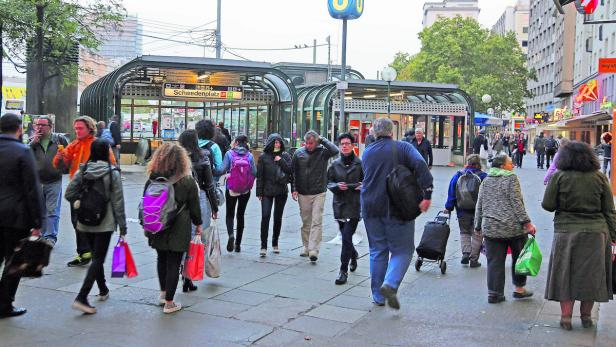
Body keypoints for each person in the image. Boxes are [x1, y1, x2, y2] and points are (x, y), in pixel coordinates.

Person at [542, 141, 616, 330]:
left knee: (565, 274)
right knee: (591, 276)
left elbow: (548, 205)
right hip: (596, 233)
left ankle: (566, 318)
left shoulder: (559, 176)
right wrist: (614, 239)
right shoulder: (599, 177)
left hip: (566, 232)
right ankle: (586, 317)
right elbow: (609, 210)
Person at [361, 118, 433, 309]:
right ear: (392, 131)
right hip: (397, 208)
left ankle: (377, 295)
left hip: (370, 207)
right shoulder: (402, 147)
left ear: (374, 133)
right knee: (403, 250)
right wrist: (427, 194)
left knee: (377, 250)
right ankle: (390, 283)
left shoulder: (367, 152)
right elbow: (420, 165)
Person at [65, 139, 127, 314]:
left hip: (84, 220)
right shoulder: (112, 172)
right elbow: (118, 201)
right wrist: (123, 226)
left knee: (95, 256)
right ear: (107, 152)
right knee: (98, 258)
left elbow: (69, 193)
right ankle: (82, 297)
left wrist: (79, 202)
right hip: (105, 222)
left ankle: (103, 289)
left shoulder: (83, 169)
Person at [146, 143, 203, 314]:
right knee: (174, 263)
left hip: (157, 226)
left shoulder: (153, 177)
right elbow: (194, 207)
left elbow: (146, 201)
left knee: (161, 259)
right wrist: (198, 225)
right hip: (179, 228)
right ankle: (169, 303)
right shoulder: (187, 181)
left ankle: (163, 294)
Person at [54, 116, 116, 267]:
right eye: (75, 128)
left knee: (91, 219)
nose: (77, 131)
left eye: (80, 128)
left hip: (94, 190)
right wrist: (59, 157)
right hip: (77, 189)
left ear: (90, 128)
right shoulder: (74, 144)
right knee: (77, 221)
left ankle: (91, 251)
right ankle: (84, 252)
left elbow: (112, 163)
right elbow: (61, 165)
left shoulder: (98, 144)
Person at [474, 154, 536, 304]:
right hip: (513, 227)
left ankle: (494, 294)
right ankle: (519, 289)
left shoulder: (486, 180)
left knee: (494, 261)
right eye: (510, 163)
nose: (512, 165)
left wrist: (477, 225)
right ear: (502, 166)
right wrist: (527, 223)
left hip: (491, 228)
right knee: (519, 258)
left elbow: (480, 204)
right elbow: (517, 203)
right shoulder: (511, 178)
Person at [0, 113, 44, 319]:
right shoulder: (22, 151)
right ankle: (4, 303)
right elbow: (32, 190)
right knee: (14, 261)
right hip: (14, 218)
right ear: (19, 129)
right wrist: (37, 222)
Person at [178, 130, 219, 292]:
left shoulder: (178, 158)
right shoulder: (203, 157)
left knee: (182, 236)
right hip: (200, 198)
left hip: (180, 200)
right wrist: (214, 207)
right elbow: (209, 185)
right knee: (198, 237)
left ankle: (182, 271)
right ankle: (189, 275)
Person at [291, 130, 339, 262]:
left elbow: (335, 151)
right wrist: (294, 189)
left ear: (316, 142)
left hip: (319, 191)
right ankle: (306, 246)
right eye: (306, 143)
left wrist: (322, 139)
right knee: (306, 221)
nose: (309, 145)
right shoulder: (298, 153)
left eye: (311, 143)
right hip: (303, 192)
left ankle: (314, 249)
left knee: (316, 221)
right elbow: (293, 172)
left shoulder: (323, 152)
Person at [327, 133, 363, 285]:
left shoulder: (360, 164)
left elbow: (368, 180)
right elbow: (328, 182)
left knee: (346, 237)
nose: (345, 146)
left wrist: (363, 185)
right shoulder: (335, 164)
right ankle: (353, 254)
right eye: (342, 144)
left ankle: (343, 271)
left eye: (348, 143)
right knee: (345, 236)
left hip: (354, 205)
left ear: (353, 146)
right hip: (340, 205)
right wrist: (336, 186)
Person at [30, 115, 68, 246]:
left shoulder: (59, 139)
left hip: (54, 180)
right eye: (37, 125)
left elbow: (68, 156)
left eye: (42, 125)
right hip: (37, 181)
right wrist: (33, 143)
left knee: (52, 210)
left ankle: (50, 237)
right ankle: (39, 234)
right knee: (38, 209)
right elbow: (25, 156)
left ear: (50, 127)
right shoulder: (33, 141)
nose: (39, 127)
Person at [444, 154, 487, 267]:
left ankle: (465, 253)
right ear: (478, 164)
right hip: (478, 211)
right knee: (477, 233)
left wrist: (449, 207)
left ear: (467, 163)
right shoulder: (483, 176)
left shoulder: (458, 175)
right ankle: (473, 259)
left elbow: (452, 192)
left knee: (464, 232)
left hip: (462, 210)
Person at [219, 135, 257, 253]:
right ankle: (238, 244)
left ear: (236, 142)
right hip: (245, 190)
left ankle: (231, 234)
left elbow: (221, 169)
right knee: (240, 215)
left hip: (231, 188)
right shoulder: (249, 155)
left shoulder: (229, 154)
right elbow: (255, 172)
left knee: (230, 214)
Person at [256, 133, 292, 257]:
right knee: (265, 216)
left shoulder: (285, 155)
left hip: (281, 191)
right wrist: (259, 192)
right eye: (275, 142)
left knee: (278, 217)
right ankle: (263, 245)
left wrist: (280, 160)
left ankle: (275, 242)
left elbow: (290, 170)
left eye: (279, 142)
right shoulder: (263, 157)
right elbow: (259, 176)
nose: (277, 145)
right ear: (270, 143)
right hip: (267, 191)